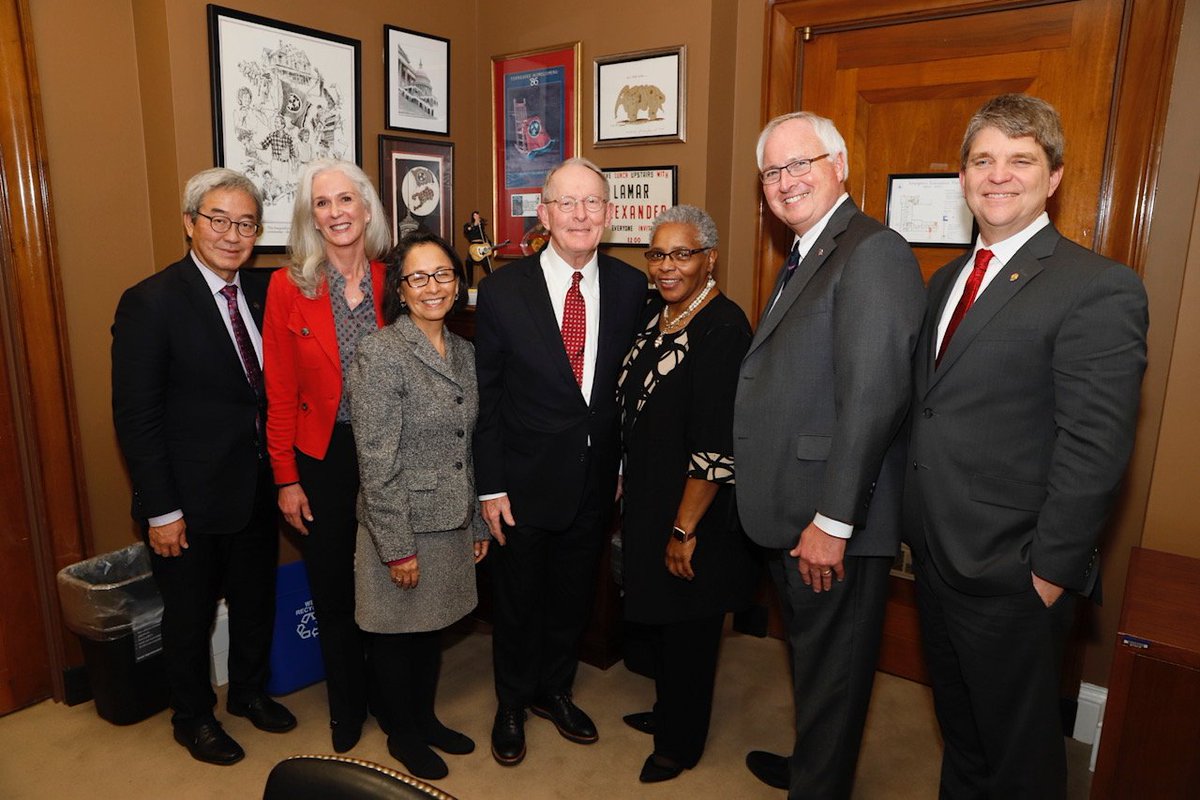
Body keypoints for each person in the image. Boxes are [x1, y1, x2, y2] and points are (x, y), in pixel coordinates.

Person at [904, 94, 1148, 799]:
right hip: (938, 558)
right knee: (964, 734)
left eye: (1021, 159)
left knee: (1019, 760)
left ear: (1055, 176)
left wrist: (1047, 573)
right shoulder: (947, 280)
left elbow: (1095, 447)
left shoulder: (1097, 286)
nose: (998, 175)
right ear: (963, 176)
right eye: (983, 159)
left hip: (1014, 574)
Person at [733, 111, 925, 798]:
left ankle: (820, 785)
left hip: (829, 522)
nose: (786, 183)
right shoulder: (809, 249)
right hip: (793, 513)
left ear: (839, 165)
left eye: (800, 164)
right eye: (772, 172)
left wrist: (834, 522)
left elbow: (875, 397)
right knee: (816, 668)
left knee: (835, 674)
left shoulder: (871, 251)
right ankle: (816, 764)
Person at [112, 167, 296, 765]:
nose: (233, 233)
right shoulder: (150, 302)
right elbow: (137, 419)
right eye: (218, 220)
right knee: (189, 619)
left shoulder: (266, 292)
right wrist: (162, 510)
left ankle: (247, 693)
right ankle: (192, 717)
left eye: (246, 222)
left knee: (255, 601)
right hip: (186, 501)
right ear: (190, 224)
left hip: (255, 489)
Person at [473, 157, 647, 766]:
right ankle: (513, 702)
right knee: (518, 599)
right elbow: (487, 401)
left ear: (609, 214)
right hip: (520, 482)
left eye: (592, 203)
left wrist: (623, 465)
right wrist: (489, 487)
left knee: (574, 596)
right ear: (543, 214)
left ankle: (554, 689)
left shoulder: (631, 288)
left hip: (597, 480)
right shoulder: (501, 291)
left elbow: (629, 389)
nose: (580, 215)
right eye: (566, 203)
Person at [616, 206, 758, 783]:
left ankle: (681, 744)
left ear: (710, 258)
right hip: (652, 496)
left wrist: (684, 529)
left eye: (682, 254)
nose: (666, 266)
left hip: (694, 506)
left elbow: (713, 444)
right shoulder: (658, 315)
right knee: (666, 624)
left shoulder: (722, 327)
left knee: (691, 628)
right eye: (657, 254)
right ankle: (670, 712)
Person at [348, 231, 489, 780]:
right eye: (418, 277)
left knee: (431, 630)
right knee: (397, 634)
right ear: (401, 290)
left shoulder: (466, 352)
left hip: (451, 519)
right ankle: (402, 735)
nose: (432, 287)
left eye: (443, 275)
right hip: (402, 521)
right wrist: (395, 547)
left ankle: (424, 718)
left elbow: (466, 445)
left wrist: (475, 516)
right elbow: (375, 462)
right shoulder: (379, 354)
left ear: (458, 284)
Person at [262, 158, 392, 753]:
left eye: (346, 199)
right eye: (322, 203)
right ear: (309, 217)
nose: (336, 212)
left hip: (392, 449)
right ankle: (347, 705)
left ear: (367, 208)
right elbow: (280, 394)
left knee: (394, 579)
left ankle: (393, 700)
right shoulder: (288, 286)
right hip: (324, 457)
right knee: (335, 586)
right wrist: (286, 479)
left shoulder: (397, 279)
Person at [463, 210, 493, 286]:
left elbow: (484, 236)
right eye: (475, 215)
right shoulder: (468, 225)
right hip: (473, 246)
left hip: (481, 245)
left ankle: (492, 279)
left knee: (486, 263)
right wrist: (475, 224)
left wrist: (489, 243)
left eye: (478, 215)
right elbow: (467, 230)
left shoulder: (481, 226)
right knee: (468, 262)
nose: (477, 217)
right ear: (473, 217)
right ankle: (469, 283)